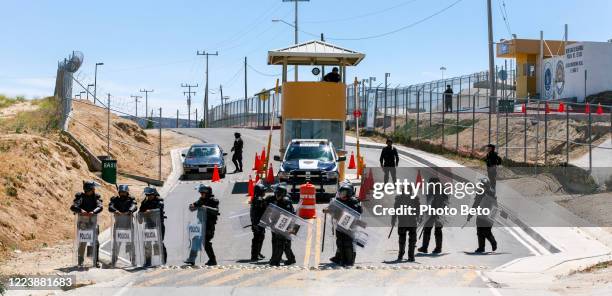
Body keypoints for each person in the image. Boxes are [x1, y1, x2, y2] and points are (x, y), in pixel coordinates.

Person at [325, 183, 363, 266]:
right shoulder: (339, 200)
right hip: (340, 225)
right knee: (340, 242)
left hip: (349, 226)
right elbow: (332, 207)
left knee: (348, 243)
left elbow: (357, 213)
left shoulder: (353, 201)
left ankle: (349, 261)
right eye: (341, 192)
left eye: (344, 193)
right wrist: (327, 209)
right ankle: (340, 258)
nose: (341, 194)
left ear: (348, 193)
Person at [70, 180, 103, 267]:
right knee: (83, 242)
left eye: (92, 190)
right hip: (83, 222)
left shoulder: (96, 197)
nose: (91, 191)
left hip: (93, 222)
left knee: (95, 242)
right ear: (86, 190)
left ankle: (95, 261)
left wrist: (93, 212)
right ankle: (80, 261)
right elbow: (73, 207)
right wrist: (81, 210)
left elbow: (100, 206)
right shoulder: (80, 197)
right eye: (90, 190)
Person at [185, 184, 220, 266]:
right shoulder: (201, 200)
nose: (201, 195)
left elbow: (216, 211)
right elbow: (194, 206)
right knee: (196, 240)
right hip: (200, 224)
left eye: (202, 193)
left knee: (206, 242)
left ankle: (212, 260)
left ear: (207, 193)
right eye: (201, 193)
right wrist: (192, 206)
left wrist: (206, 208)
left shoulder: (213, 200)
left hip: (209, 225)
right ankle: (191, 259)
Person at [266, 183, 297, 266]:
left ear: (282, 194)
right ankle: (291, 259)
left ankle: (275, 261)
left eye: (278, 193)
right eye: (276, 193)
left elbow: (286, 215)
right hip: (281, 225)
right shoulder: (281, 200)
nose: (276, 195)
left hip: (284, 225)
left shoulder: (285, 201)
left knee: (280, 243)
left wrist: (281, 226)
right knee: (285, 244)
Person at [108, 185, 137, 266]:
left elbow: (134, 206)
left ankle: (133, 260)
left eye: (124, 192)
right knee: (116, 243)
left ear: (127, 192)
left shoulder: (131, 199)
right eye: (121, 192)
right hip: (118, 225)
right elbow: (110, 206)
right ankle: (114, 260)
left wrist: (130, 211)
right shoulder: (115, 199)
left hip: (129, 225)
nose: (122, 194)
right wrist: (115, 210)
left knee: (130, 243)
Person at [418, 177, 449, 254]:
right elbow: (428, 202)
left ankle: (437, 248)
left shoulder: (439, 191)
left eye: (431, 183)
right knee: (428, 229)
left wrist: (437, 212)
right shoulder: (432, 190)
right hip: (432, 213)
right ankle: (425, 247)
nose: (429, 185)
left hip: (438, 213)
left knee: (436, 230)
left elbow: (441, 203)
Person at [467, 178, 498, 253]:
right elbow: (496, 206)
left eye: (481, 185)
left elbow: (475, 205)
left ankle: (485, 246)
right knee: (484, 231)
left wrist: (470, 215)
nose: (480, 186)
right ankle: (483, 247)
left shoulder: (481, 194)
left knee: (482, 231)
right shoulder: (492, 194)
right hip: (488, 217)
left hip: (482, 216)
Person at [391, 186, 420, 262]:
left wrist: (393, 220)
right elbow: (418, 210)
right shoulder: (414, 198)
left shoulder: (400, 199)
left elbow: (395, 210)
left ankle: (404, 255)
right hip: (409, 221)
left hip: (405, 221)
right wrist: (418, 217)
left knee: (404, 239)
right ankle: (408, 255)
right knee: (409, 239)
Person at [139, 187, 166, 266]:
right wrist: (140, 217)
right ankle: (148, 261)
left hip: (158, 225)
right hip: (148, 225)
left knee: (158, 243)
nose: (149, 196)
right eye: (147, 195)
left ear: (154, 194)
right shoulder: (145, 202)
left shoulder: (159, 201)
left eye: (150, 195)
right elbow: (141, 211)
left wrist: (150, 211)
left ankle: (161, 260)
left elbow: (159, 209)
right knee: (147, 243)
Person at [249, 182, 268, 262]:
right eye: (264, 191)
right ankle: (254, 256)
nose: (265, 192)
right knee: (257, 239)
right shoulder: (259, 200)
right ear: (260, 192)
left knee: (261, 238)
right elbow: (257, 213)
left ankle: (258, 253)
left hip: (259, 223)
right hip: (258, 223)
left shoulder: (256, 199)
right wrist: (256, 224)